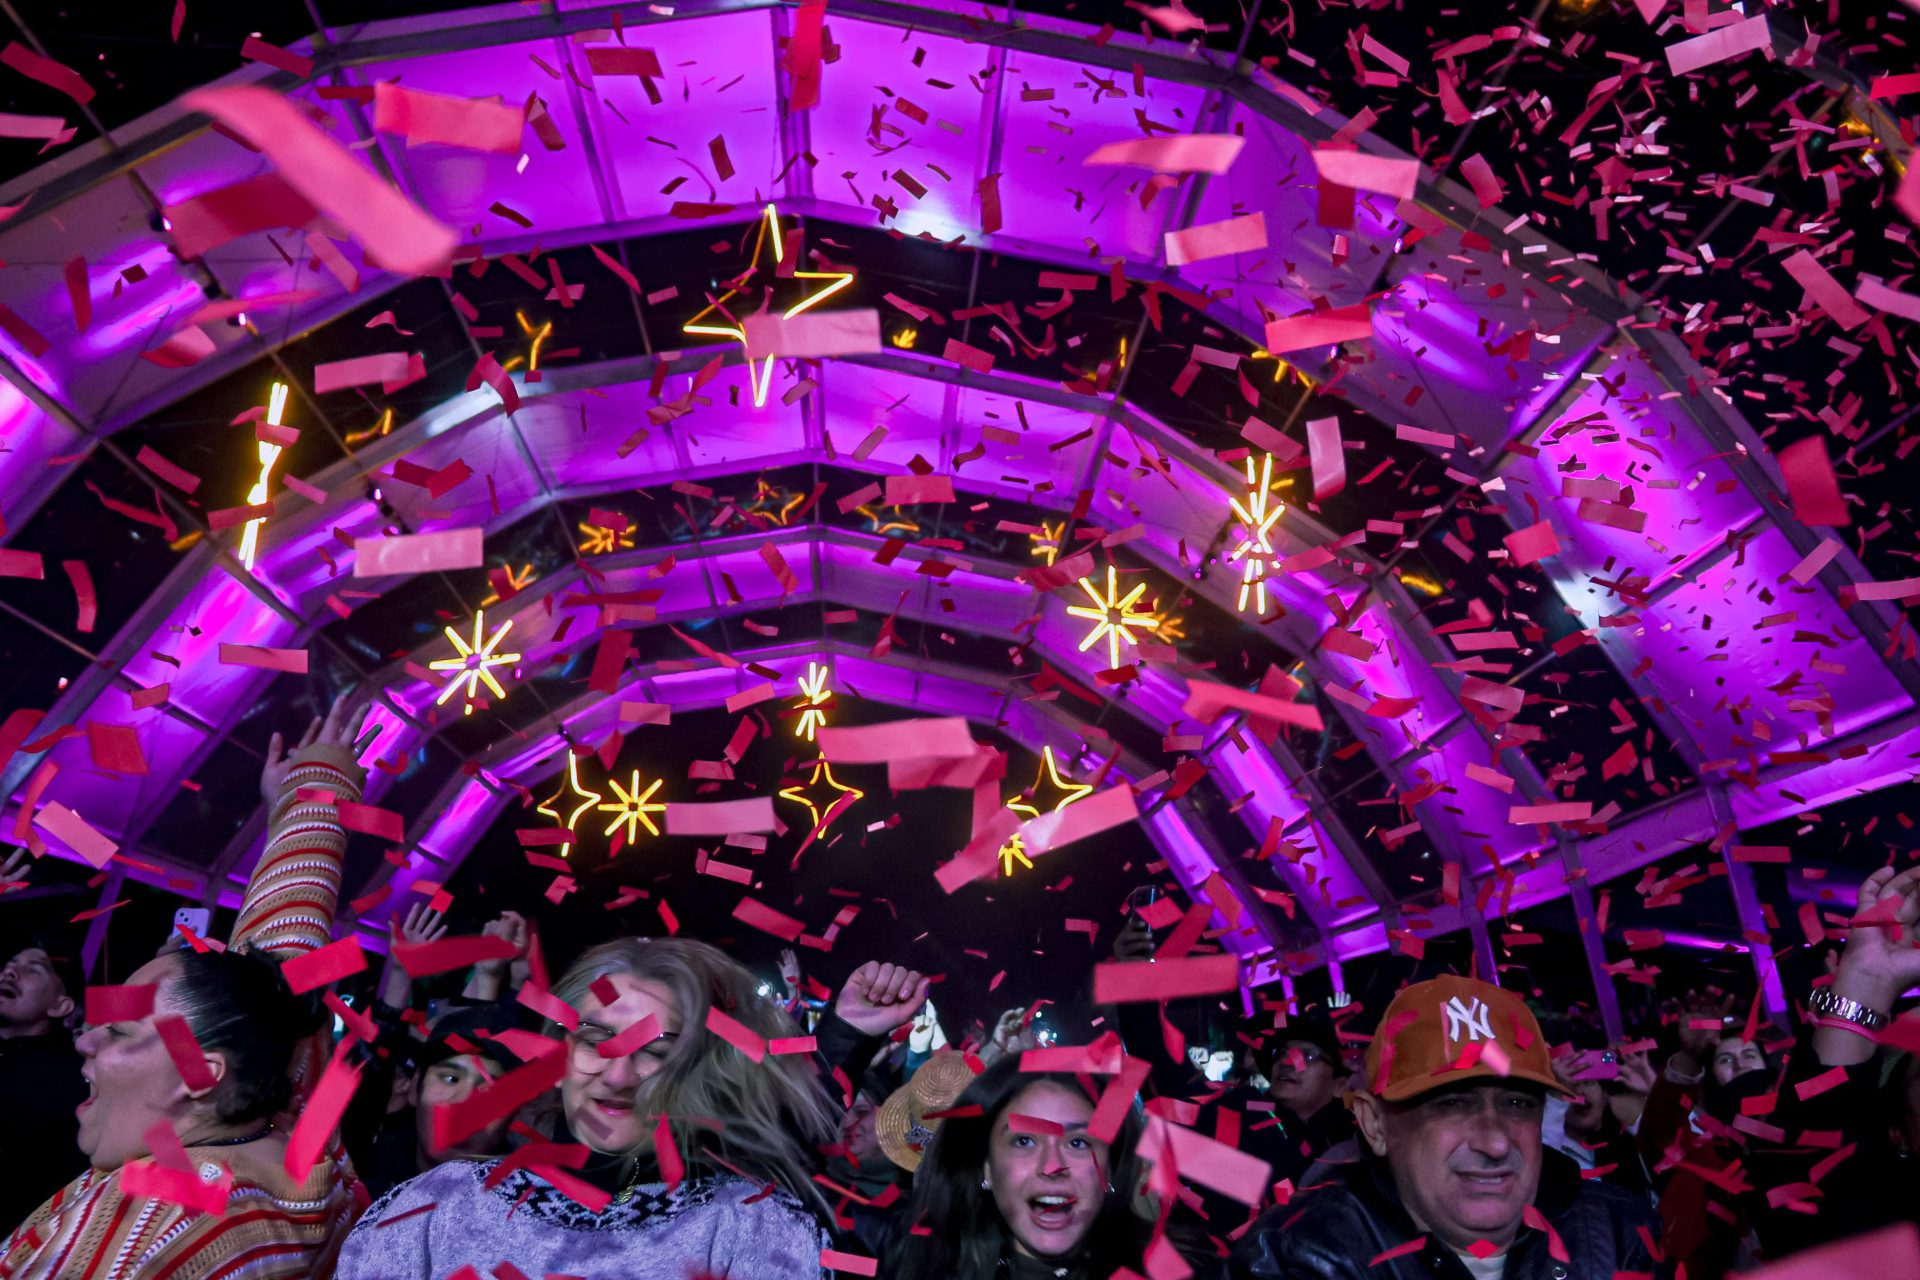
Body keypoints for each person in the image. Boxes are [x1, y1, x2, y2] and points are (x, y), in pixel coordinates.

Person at [0, 698, 375, 1280]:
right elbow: (277, 976)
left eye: (120, 1030)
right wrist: (308, 799)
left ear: (201, 1073)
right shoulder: (299, 1138)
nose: (84, 1042)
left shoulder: (143, 1238)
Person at [337, 936, 853, 1278]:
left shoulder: (747, 1226)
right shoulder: (437, 1207)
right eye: (595, 1040)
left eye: (654, 1051)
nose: (618, 1074)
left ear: (693, 1068)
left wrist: (848, 1037)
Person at [1229, 975, 1658, 1280]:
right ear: (1374, 1124)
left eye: (1516, 1104)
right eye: (1451, 1104)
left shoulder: (1622, 1232)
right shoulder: (1297, 1258)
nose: (1494, 1141)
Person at [886, 1053, 1152, 1280]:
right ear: (987, 1168)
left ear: (1109, 1168)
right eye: (1024, 1141)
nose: (1052, 1167)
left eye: (1078, 1143)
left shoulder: (1173, 1266)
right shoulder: (926, 1266)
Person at [0, 850, 89, 1232]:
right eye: (9, 963)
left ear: (60, 1004)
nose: (10, 971)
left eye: (33, 969)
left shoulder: (75, 1082)